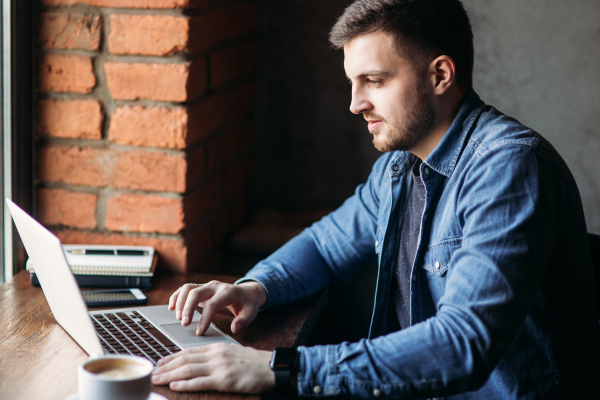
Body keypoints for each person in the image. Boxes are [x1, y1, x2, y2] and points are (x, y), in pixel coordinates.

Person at [151, 0, 600, 398]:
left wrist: (281, 367)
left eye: (374, 80)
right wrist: (255, 287)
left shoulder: (508, 167)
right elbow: (327, 244)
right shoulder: (398, 166)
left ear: (440, 74)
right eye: (353, 82)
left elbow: (465, 343)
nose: (354, 103)